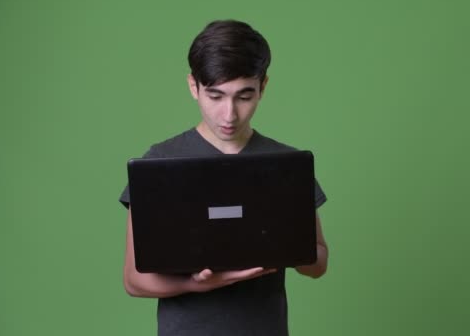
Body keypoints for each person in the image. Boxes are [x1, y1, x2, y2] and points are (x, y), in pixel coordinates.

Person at [119, 19, 328, 336]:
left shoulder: (285, 165)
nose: (229, 114)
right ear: (194, 87)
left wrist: (287, 242)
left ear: (263, 87)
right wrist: (197, 284)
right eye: (216, 96)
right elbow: (134, 281)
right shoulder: (159, 163)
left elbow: (318, 262)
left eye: (244, 96)